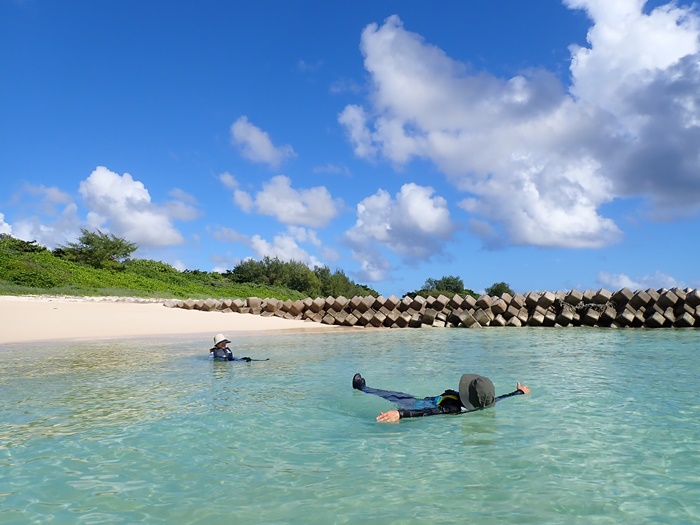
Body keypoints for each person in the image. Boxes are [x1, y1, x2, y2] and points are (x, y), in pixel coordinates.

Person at [352, 372, 530, 423]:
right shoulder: (486, 403)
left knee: (391, 395)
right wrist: (518, 392)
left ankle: (362, 388)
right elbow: (500, 398)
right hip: (428, 400)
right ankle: (366, 388)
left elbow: (430, 412)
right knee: (394, 395)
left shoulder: (452, 409)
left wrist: (400, 414)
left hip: (416, 405)